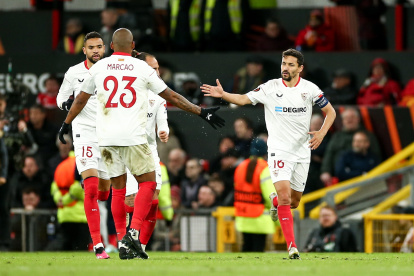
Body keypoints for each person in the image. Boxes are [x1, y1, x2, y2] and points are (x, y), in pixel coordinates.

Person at [58, 28, 224, 260]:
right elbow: (172, 96)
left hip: (105, 139)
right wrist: (201, 112)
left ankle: (120, 238)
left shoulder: (99, 67)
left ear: (111, 47)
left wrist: (66, 123)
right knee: (148, 182)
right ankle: (132, 233)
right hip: (132, 137)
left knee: (117, 190)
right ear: (132, 45)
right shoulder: (142, 68)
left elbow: (80, 99)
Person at [201, 48, 336, 259]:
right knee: (285, 198)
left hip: (302, 151)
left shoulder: (310, 89)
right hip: (278, 151)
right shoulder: (270, 87)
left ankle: (273, 201)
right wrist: (224, 94)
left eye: (291, 64)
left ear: (300, 68)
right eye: (284, 63)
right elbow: (244, 99)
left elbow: (331, 112)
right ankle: (292, 247)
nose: (285, 68)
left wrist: (321, 133)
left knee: (293, 202)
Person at [56, 31, 111, 259]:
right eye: (91, 47)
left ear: (104, 48)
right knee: (90, 188)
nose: (96, 50)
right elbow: (60, 99)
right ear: (84, 50)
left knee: (105, 192)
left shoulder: (111, 70)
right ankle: (98, 245)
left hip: (109, 135)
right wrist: (67, 103)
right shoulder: (74, 73)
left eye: (99, 46)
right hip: (84, 134)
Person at [123, 50, 173, 255]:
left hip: (150, 151)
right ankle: (124, 240)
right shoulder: (126, 92)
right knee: (130, 201)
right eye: (153, 68)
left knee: (153, 200)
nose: (157, 72)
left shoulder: (159, 96)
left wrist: (164, 131)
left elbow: (163, 122)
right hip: (128, 151)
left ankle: (140, 246)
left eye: (158, 68)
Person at [320, 107, 381, 186]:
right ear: (343, 121)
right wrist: (325, 171)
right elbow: (329, 154)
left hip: (365, 178)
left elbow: (376, 156)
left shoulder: (368, 135)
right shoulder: (337, 136)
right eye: (346, 118)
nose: (349, 120)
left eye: (352, 117)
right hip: (341, 179)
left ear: (358, 119)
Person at [234, 138, 276, 252]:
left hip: (243, 216)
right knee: (259, 251)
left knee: (246, 248)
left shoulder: (240, 167)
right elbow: (270, 196)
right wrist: (277, 219)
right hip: (260, 218)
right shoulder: (265, 168)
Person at [48, 151, 90, 251]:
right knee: (81, 252)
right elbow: (79, 187)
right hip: (81, 216)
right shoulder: (82, 164)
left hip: (64, 215)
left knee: (65, 251)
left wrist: (60, 200)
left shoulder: (61, 166)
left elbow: (54, 186)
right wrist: (67, 200)